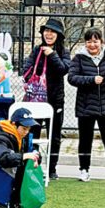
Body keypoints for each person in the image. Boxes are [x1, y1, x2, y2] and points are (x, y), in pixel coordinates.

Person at [68, 27, 105, 184]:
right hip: (85, 106)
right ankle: (84, 170)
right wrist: (91, 80)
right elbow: (72, 78)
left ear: (101, 42)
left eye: (95, 41)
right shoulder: (78, 58)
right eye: (89, 41)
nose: (92, 45)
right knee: (85, 140)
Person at [22, 19, 71, 180]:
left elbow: (64, 69)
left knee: (54, 135)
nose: (49, 34)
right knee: (32, 134)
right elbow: (26, 70)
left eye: (53, 32)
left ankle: (51, 169)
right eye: (46, 31)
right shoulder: (36, 50)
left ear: (59, 35)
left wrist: (53, 55)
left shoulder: (63, 52)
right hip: (35, 100)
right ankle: (32, 165)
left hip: (55, 100)